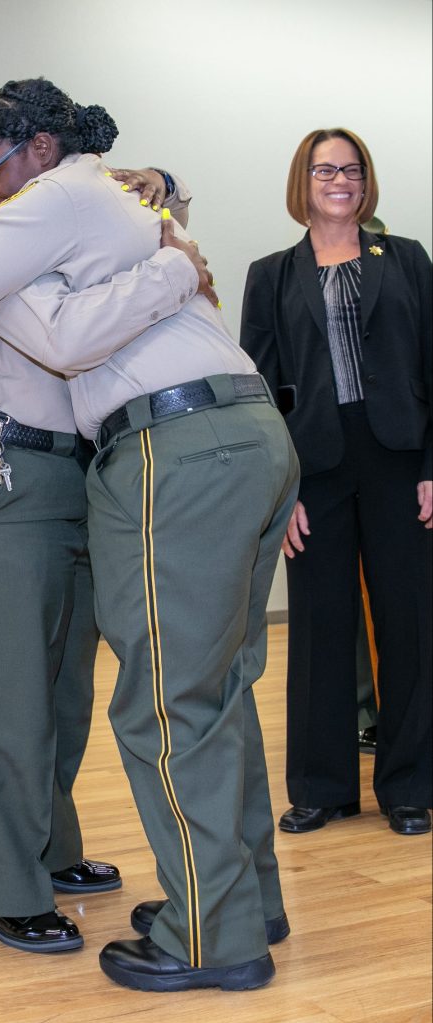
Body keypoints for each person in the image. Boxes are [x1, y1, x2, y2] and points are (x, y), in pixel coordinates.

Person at [0, 76, 299, 992]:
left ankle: (174, 895)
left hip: (108, 460)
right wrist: (174, 259)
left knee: (91, 687)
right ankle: (11, 883)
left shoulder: (72, 205)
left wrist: (164, 208)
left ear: (37, 149)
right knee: (28, 690)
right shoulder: (5, 230)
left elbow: (117, 227)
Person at [240, 127, 432, 838]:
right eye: (326, 170)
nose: (340, 180)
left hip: (399, 461)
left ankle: (410, 785)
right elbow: (257, 393)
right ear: (304, 182)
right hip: (312, 467)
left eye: (351, 169)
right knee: (320, 627)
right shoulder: (273, 274)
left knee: (409, 623)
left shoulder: (408, 260)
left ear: (366, 180)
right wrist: (278, 488)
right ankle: (322, 788)